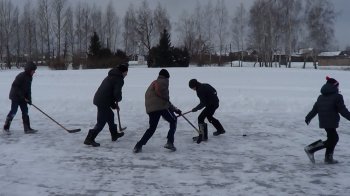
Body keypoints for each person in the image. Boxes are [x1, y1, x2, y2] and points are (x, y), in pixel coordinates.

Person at [133, 69, 182, 153]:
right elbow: (165, 99)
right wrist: (175, 110)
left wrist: (174, 109)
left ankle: (138, 145)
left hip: (150, 109)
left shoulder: (154, 82)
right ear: (167, 77)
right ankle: (170, 142)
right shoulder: (164, 82)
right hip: (161, 107)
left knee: (151, 128)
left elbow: (160, 98)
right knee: (173, 120)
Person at [305, 76, 350, 164]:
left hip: (324, 121)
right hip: (331, 121)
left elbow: (315, 109)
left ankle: (328, 158)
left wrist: (308, 117)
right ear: (334, 86)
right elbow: (343, 110)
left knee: (332, 138)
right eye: (337, 86)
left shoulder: (320, 97)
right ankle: (311, 148)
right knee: (333, 139)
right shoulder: (337, 97)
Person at [84, 63, 128, 147]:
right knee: (101, 122)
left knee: (110, 116)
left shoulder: (110, 76)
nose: (126, 74)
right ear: (123, 72)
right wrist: (118, 99)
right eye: (126, 72)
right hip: (103, 102)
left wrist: (113, 105)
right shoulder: (119, 79)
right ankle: (89, 138)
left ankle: (114, 134)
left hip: (100, 99)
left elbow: (108, 92)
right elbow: (116, 93)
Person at [3, 62, 38, 134]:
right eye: (33, 70)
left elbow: (28, 89)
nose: (34, 72)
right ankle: (6, 127)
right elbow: (15, 87)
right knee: (14, 111)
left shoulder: (30, 77)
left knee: (25, 111)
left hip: (23, 98)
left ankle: (27, 128)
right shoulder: (21, 76)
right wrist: (22, 96)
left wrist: (29, 99)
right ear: (29, 70)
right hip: (15, 96)